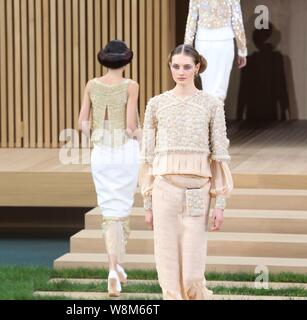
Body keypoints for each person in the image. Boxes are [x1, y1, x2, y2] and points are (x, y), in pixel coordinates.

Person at [139, 44, 234, 300]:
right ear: (170, 67)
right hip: (164, 189)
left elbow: (220, 154)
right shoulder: (156, 104)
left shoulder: (211, 104)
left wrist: (220, 203)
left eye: (187, 67)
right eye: (176, 66)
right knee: (168, 264)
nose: (181, 72)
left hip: (197, 191)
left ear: (197, 67)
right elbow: (148, 156)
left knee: (192, 271)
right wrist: (147, 204)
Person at [78, 40, 141, 297]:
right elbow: (129, 126)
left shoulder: (92, 84)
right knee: (122, 207)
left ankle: (114, 268)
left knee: (109, 209)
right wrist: (144, 133)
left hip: (101, 151)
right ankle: (115, 268)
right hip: (125, 151)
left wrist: (96, 131)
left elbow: (82, 122)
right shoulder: (131, 86)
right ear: (126, 62)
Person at [184, 0, 247, 101]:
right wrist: (242, 50)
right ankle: (216, 114)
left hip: (203, 42)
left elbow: (191, 20)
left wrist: (187, 49)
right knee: (220, 89)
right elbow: (237, 21)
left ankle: (211, 114)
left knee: (207, 87)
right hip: (224, 42)